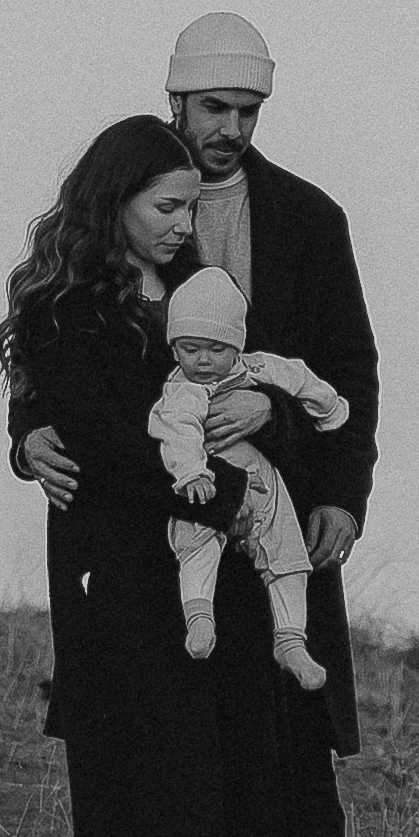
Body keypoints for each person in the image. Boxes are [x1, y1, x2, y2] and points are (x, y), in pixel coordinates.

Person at [13, 12, 384, 837]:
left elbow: (345, 370)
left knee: (289, 755)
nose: (229, 126)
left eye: (247, 109)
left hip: (276, 521)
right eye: (214, 106)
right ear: (175, 99)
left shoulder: (308, 218)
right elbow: (65, 370)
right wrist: (24, 434)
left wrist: (338, 494)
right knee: (170, 750)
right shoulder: (121, 230)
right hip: (152, 535)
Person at [153, 263, 349, 685]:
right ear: (174, 349)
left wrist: (328, 407)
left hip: (263, 482)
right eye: (189, 348)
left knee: (286, 549)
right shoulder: (182, 391)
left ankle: (291, 639)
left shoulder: (260, 370)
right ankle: (199, 616)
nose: (203, 360)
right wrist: (192, 475)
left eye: (216, 348)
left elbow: (298, 377)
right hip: (211, 478)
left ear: (236, 346)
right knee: (198, 538)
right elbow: (178, 432)